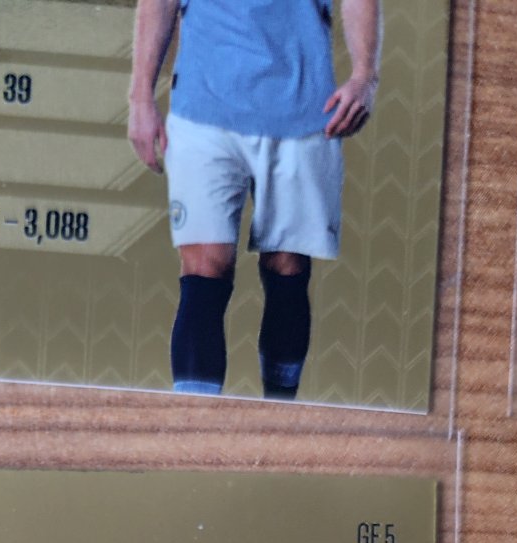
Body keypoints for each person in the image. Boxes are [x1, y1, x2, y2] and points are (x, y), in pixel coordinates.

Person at [127, 0, 382, 399]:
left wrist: (365, 76)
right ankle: (194, 422)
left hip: (301, 109)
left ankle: (278, 414)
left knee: (287, 270)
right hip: (203, 109)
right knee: (203, 270)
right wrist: (140, 97)